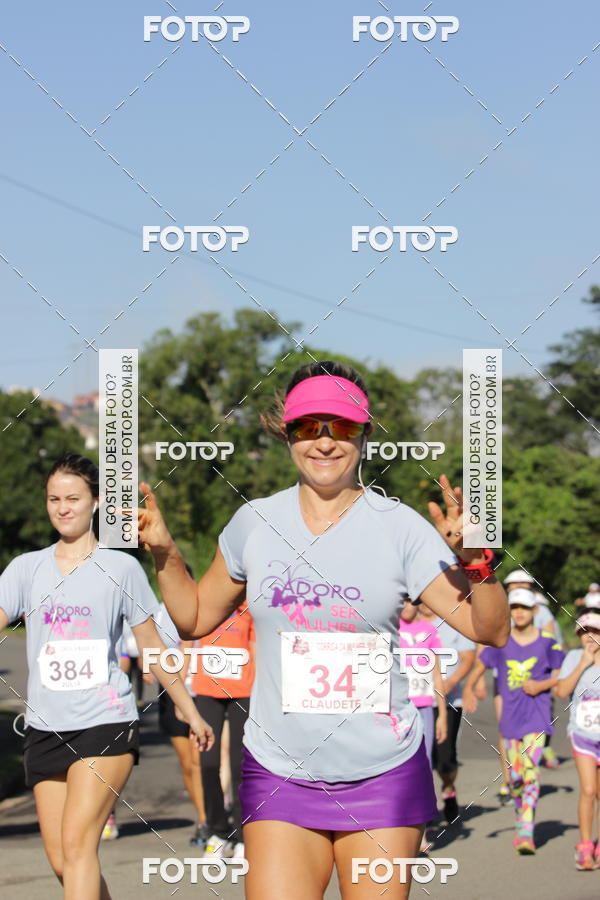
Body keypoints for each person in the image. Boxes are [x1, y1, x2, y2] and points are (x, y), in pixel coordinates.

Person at [136, 360, 510, 900]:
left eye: (342, 427)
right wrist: (166, 552)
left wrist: (478, 563)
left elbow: (488, 629)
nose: (326, 442)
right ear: (287, 432)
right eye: (309, 426)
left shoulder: (401, 527)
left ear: (366, 433)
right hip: (278, 772)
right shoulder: (254, 523)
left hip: (382, 772)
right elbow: (193, 618)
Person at [0, 453, 213, 900]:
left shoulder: (121, 569)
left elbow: (153, 648)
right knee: (63, 860)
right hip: (44, 727)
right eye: (54, 499)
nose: (63, 508)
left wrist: (189, 708)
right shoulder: (26, 568)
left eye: (73, 498)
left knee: (79, 847)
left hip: (105, 722)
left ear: (94, 502)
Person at [463, 587, 564, 854]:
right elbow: (480, 666)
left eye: (524, 608)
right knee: (516, 777)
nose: (518, 613)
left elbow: (562, 675)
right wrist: (468, 688)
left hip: (537, 718)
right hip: (510, 720)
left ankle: (526, 830)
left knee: (530, 770)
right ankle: (520, 820)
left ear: (534, 611)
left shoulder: (547, 642)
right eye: (514, 608)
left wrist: (542, 684)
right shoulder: (502, 642)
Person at [191, 601, 256, 861]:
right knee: (207, 762)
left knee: (240, 763)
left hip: (243, 691)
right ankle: (217, 830)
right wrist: (180, 699)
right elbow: (187, 644)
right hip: (207, 690)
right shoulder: (205, 602)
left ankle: (243, 834)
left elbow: (256, 647)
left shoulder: (249, 607)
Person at [154, 589, 209, 848]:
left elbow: (189, 643)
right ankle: (202, 817)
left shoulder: (200, 607)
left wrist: (182, 679)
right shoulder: (158, 610)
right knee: (187, 763)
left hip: (199, 691)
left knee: (202, 762)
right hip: (169, 693)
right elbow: (144, 643)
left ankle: (212, 818)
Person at [418, 601, 476, 824]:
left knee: (445, 757)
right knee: (422, 757)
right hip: (416, 701)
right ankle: (425, 804)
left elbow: (468, 658)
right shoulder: (410, 625)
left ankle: (449, 787)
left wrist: (450, 683)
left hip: (450, 700)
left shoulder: (453, 622)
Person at [555, 612, 600, 870]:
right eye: (583, 631)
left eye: (593, 631)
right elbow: (561, 691)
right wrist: (583, 664)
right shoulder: (573, 658)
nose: (589, 637)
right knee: (588, 790)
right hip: (582, 734)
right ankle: (584, 845)